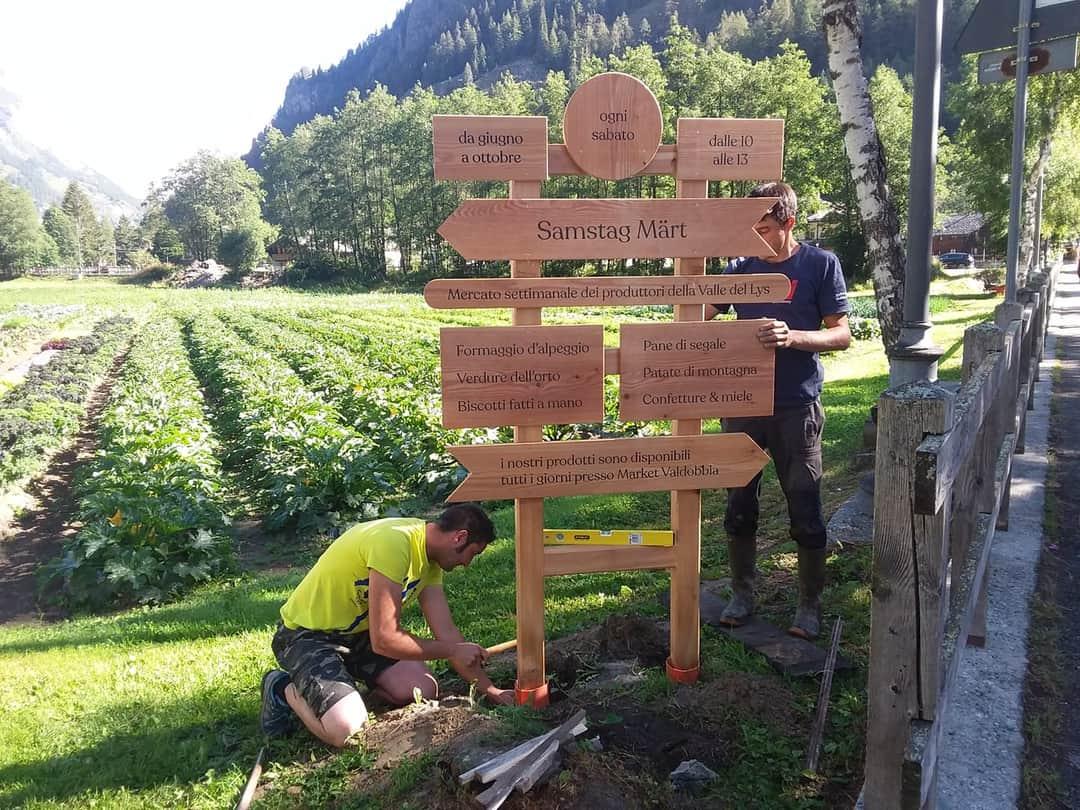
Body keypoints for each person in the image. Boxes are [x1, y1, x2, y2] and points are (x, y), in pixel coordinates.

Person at [705, 181, 851, 640]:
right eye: (749, 227)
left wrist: (794, 336)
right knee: (738, 505)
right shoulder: (738, 270)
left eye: (764, 227)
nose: (755, 236)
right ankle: (742, 593)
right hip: (741, 408)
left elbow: (842, 334)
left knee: (804, 504)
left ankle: (809, 606)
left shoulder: (819, 265)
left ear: (787, 223)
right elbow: (696, 315)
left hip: (796, 407)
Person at [259, 503, 514, 747]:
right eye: (473, 553)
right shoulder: (394, 542)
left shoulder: (430, 562)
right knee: (347, 730)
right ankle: (281, 688)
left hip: (359, 635)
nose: (467, 564)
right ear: (459, 538)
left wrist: (493, 691)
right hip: (308, 635)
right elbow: (385, 638)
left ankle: (342, 692)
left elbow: (447, 634)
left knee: (423, 688)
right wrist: (451, 651)